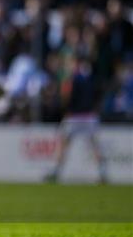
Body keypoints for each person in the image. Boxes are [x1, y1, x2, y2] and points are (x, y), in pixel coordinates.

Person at [45, 54, 106, 183]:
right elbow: (97, 96)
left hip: (74, 117)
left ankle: (55, 173)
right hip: (89, 116)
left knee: (63, 145)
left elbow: (66, 97)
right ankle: (102, 174)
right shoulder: (90, 78)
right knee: (94, 146)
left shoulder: (71, 79)